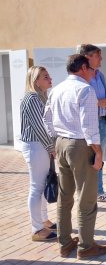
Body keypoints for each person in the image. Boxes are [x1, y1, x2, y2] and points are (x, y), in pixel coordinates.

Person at [43, 54, 106, 259]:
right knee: (87, 197)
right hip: (81, 145)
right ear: (83, 68)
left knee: (65, 196)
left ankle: (65, 243)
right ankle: (86, 246)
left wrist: (56, 140)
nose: (93, 72)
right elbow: (89, 127)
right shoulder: (85, 90)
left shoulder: (56, 89)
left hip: (62, 142)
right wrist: (98, 153)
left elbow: (46, 119)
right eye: (91, 68)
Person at [20, 66, 57, 242]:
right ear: (36, 81)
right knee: (37, 187)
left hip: (40, 145)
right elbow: (40, 127)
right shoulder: (32, 98)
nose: (50, 79)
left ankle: (43, 220)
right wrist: (51, 147)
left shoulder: (40, 97)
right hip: (36, 145)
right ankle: (36, 228)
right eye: (45, 77)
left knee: (42, 184)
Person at [79, 44, 106, 203]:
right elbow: (79, 102)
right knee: (87, 160)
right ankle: (87, 193)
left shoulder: (100, 75)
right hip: (87, 125)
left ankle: (99, 191)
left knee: (99, 160)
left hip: (101, 123)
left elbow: (102, 98)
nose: (101, 58)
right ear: (88, 57)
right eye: (98, 55)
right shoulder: (80, 77)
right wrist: (99, 103)